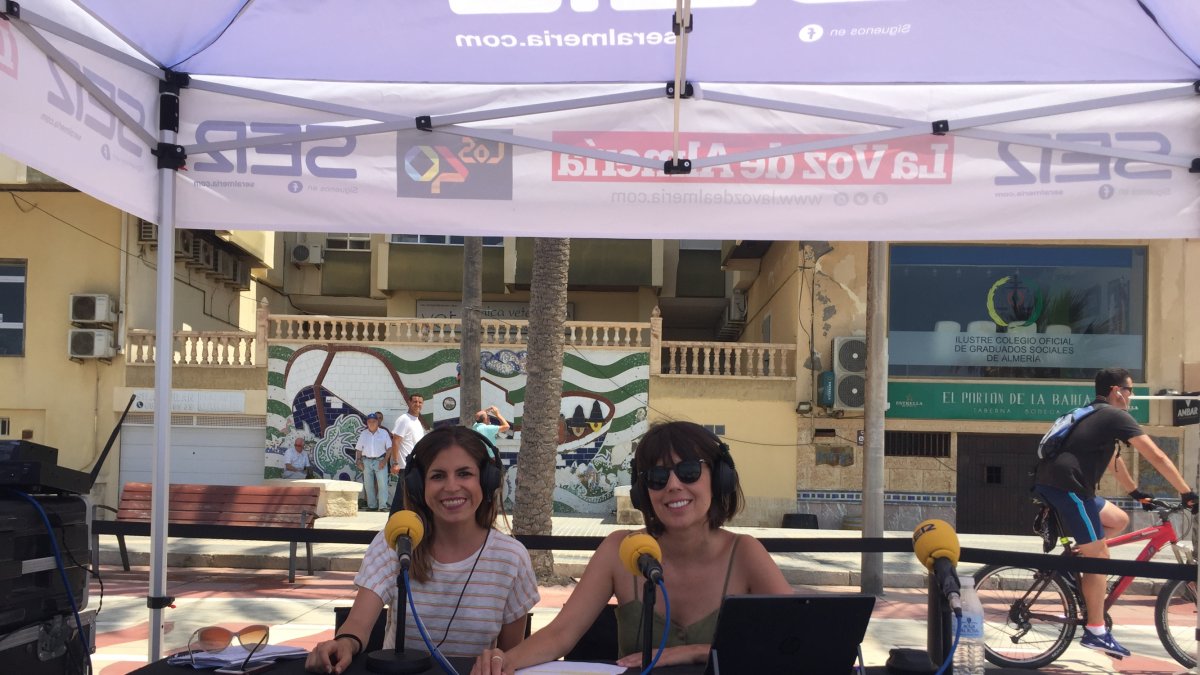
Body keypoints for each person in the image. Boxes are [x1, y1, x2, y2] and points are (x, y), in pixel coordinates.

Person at [472, 421, 792, 674]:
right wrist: (503, 662)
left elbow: (796, 641)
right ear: (642, 491)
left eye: (689, 471)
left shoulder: (746, 553)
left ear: (719, 478)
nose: (673, 485)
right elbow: (560, 635)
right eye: (656, 477)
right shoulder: (620, 549)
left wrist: (694, 651)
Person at [306, 427, 539, 674]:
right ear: (418, 485)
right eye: (438, 476)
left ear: (486, 480)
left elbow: (511, 654)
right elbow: (357, 624)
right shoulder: (394, 542)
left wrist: (499, 660)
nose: (452, 487)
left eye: (464, 473)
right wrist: (344, 643)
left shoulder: (512, 557)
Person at [1033, 367, 1198, 658]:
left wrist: (1136, 494)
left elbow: (1115, 463)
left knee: (1118, 519)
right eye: (1130, 389)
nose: (1132, 395)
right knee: (1100, 558)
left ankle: (1079, 569)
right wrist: (1186, 493)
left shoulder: (1091, 414)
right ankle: (1096, 631)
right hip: (1068, 488)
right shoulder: (1115, 415)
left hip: (1062, 485)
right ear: (1115, 391)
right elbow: (1156, 455)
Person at [391, 394, 427, 506]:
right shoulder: (404, 419)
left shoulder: (417, 421)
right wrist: (395, 463)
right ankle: (394, 521)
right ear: (409, 403)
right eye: (415, 401)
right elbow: (396, 440)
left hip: (415, 465)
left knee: (410, 497)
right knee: (401, 498)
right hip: (405, 466)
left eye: (420, 402)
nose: (417, 404)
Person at [355, 413, 393, 512]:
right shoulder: (364, 434)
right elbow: (359, 449)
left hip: (380, 461)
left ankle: (382, 506)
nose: (372, 423)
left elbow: (389, 448)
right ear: (367, 423)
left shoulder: (384, 433)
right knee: (368, 485)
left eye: (374, 421)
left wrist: (385, 461)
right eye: (369, 421)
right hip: (366, 461)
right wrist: (358, 461)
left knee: (382, 484)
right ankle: (372, 506)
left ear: (377, 422)